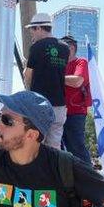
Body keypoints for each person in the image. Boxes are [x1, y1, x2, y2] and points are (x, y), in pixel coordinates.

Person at [23, 13, 71, 150]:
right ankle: (52, 171)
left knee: (36, 143)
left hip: (40, 102)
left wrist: (28, 91)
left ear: (39, 28)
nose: (31, 33)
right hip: (60, 104)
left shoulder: (37, 47)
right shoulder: (65, 48)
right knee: (54, 146)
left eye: (32, 29)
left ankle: (35, 172)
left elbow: (29, 74)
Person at [59, 36, 92, 164]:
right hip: (59, 112)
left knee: (76, 147)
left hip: (75, 113)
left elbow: (77, 81)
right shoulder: (61, 65)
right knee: (58, 148)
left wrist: (55, 77)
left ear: (71, 48)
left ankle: (88, 177)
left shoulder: (81, 62)